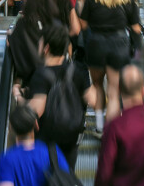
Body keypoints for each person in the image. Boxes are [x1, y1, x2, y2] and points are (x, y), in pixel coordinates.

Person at [80, 0, 141, 130]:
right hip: (119, 46)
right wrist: (137, 49)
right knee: (114, 92)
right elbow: (136, 28)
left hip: (96, 45)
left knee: (97, 85)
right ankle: (111, 130)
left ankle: (99, 125)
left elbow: (83, 24)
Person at [23, 25, 94, 169]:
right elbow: (93, 100)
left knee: (46, 177)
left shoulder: (40, 75)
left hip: (47, 140)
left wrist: (20, 98)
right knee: (66, 176)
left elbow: (37, 109)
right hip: (71, 138)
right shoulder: (78, 70)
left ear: (46, 48)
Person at [0, 105, 69, 186]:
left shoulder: (8, 159)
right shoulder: (53, 152)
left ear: (11, 128)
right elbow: (66, 183)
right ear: (36, 125)